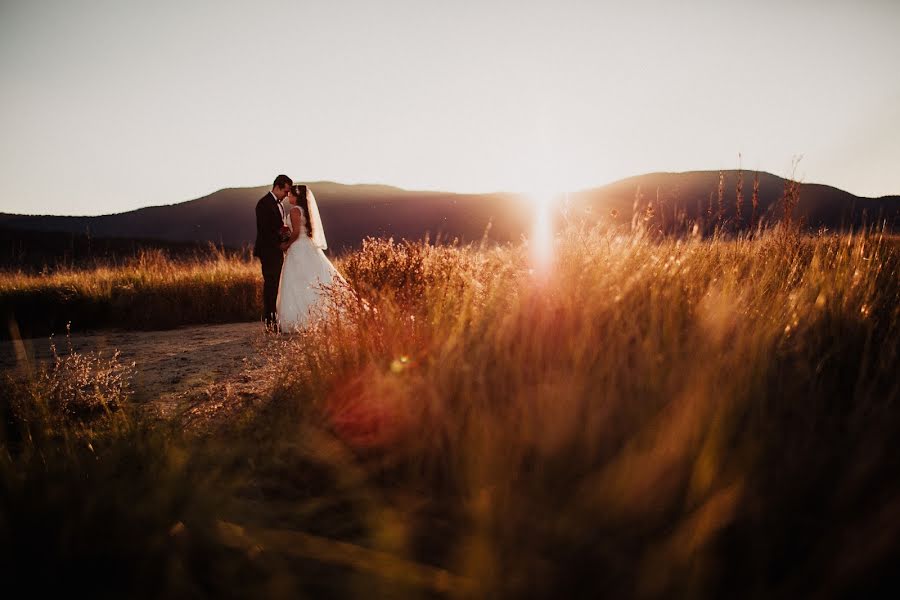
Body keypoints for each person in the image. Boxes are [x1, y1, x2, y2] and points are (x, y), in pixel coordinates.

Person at [276, 184, 345, 330]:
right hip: (306, 245)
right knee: (310, 278)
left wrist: (285, 245)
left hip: (298, 248)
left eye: (291, 194)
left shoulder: (295, 210)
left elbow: (295, 233)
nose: (288, 196)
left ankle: (299, 318)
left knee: (296, 279)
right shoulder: (304, 210)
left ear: (296, 196)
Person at [254, 174, 292, 331]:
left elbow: (278, 226)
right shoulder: (263, 204)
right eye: (286, 191)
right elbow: (265, 231)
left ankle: (273, 319)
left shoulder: (280, 205)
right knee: (270, 285)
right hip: (268, 251)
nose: (287, 195)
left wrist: (286, 235)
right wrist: (281, 242)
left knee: (275, 285)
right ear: (278, 187)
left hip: (276, 250)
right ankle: (269, 322)